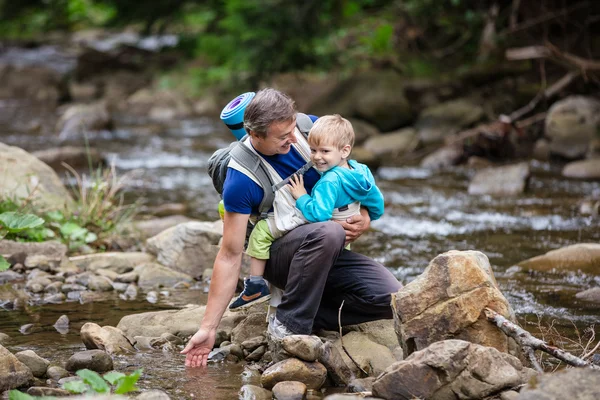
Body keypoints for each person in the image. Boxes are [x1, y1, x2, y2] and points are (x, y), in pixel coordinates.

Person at [181, 88, 402, 368]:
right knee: (329, 232)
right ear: (255, 135)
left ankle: (311, 314)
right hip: (280, 255)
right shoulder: (241, 179)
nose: (294, 138)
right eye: (283, 137)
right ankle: (288, 325)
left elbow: (349, 173)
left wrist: (367, 216)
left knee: (391, 298)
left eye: (293, 130)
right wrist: (209, 327)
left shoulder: (307, 127)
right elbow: (230, 254)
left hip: (325, 250)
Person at [228, 114, 385, 310]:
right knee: (334, 263)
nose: (317, 157)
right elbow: (377, 201)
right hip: (347, 232)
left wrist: (301, 196)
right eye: (313, 150)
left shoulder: (329, 181)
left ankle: (256, 284)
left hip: (329, 232)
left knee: (261, 232)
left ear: (345, 150)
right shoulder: (362, 171)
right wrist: (367, 216)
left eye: (324, 151)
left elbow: (318, 215)